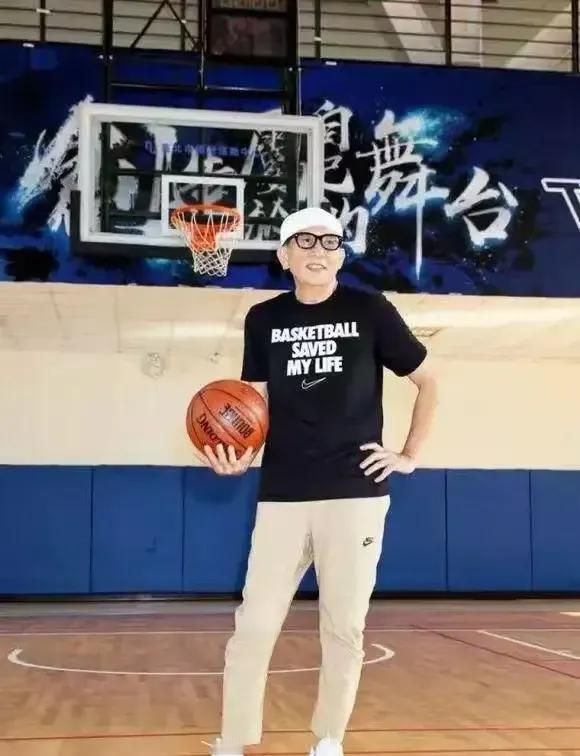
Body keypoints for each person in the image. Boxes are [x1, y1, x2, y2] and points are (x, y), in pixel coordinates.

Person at [198, 207, 438, 756]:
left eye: (330, 241)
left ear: (341, 255)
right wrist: (239, 456)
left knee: (343, 626)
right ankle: (234, 741)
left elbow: (430, 381)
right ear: (283, 256)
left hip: (355, 493)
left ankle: (329, 739)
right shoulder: (263, 319)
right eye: (304, 241)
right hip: (283, 494)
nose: (318, 250)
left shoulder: (370, 310)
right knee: (254, 624)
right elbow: (254, 405)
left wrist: (408, 455)